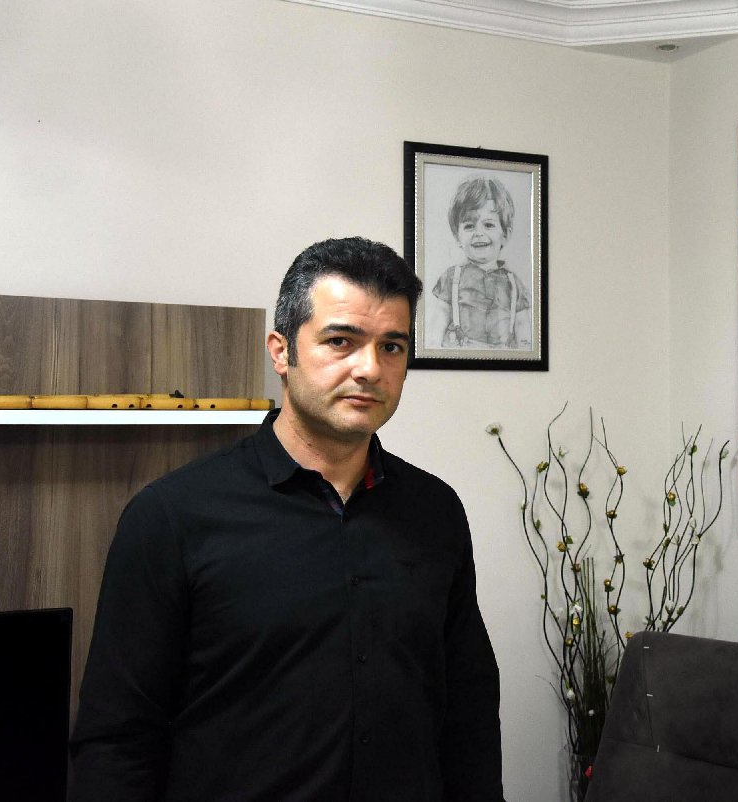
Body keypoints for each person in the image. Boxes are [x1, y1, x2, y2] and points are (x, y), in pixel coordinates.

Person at [69, 237, 504, 800]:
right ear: (281, 351)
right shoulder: (173, 517)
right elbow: (117, 741)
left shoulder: (435, 511)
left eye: (392, 347)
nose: (370, 368)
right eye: (341, 341)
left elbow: (468, 710)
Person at [426, 175, 532, 350]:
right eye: (469, 226)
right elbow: (438, 323)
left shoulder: (513, 283)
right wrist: (433, 348)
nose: (479, 233)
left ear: (505, 234)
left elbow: (523, 330)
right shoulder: (452, 278)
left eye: (488, 225)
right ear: (457, 237)